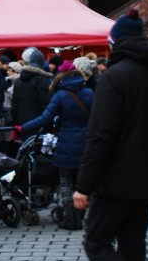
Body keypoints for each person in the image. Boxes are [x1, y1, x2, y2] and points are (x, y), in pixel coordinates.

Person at [74, 9, 148, 261]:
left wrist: (84, 185)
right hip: (146, 182)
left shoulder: (114, 78)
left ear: (115, 42)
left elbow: (101, 135)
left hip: (116, 182)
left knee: (96, 244)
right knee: (133, 248)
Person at [15, 59, 93, 230]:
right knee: (82, 182)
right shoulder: (88, 93)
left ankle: (70, 219)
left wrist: (22, 128)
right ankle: (80, 217)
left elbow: (44, 118)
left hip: (66, 142)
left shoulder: (60, 95)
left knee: (64, 181)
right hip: (87, 143)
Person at [10, 47, 53, 140]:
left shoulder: (18, 81)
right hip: (41, 130)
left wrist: (17, 126)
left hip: (23, 128)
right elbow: (47, 107)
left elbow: (14, 108)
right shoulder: (43, 80)